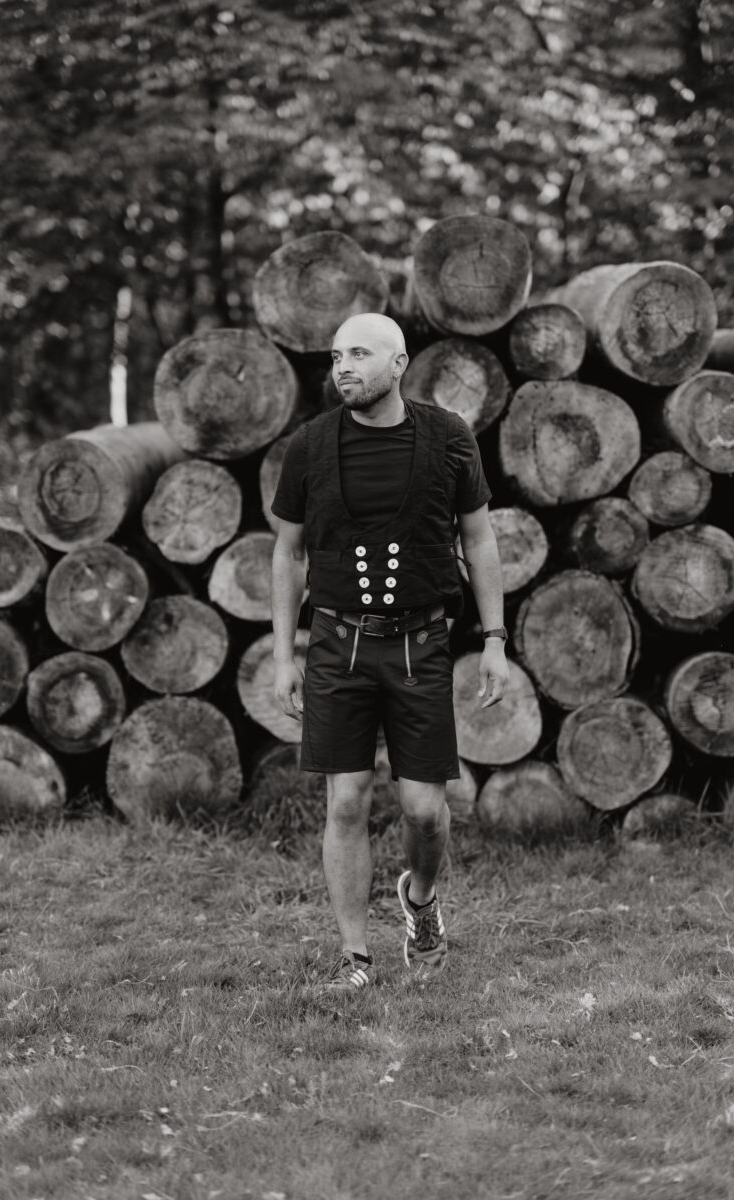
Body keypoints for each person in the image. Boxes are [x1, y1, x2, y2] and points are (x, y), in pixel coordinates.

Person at [270, 312, 508, 993]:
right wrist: (284, 654)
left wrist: (493, 640)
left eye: (361, 354)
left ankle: (421, 899)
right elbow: (287, 554)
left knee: (425, 812)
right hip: (338, 646)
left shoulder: (449, 438)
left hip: (421, 646)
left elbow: (480, 539)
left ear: (399, 365)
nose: (344, 366)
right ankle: (355, 958)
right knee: (345, 803)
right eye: (338, 355)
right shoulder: (311, 446)